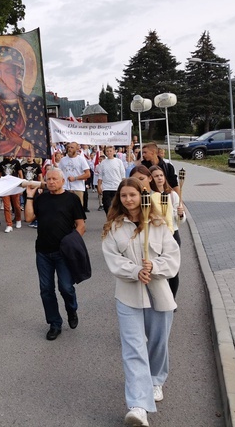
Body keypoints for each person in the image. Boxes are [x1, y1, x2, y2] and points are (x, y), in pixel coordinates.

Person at [101, 178, 180, 426]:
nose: (128, 200)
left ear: (141, 196)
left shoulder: (158, 225)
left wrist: (154, 266)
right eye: (123, 196)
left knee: (158, 343)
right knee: (133, 349)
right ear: (119, 199)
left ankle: (156, 380)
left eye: (132, 195)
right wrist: (134, 271)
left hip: (158, 293)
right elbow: (112, 259)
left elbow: (173, 259)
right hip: (128, 295)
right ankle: (137, 405)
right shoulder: (113, 227)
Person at [25, 168, 86, 340]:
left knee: (66, 287)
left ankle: (71, 309)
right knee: (46, 290)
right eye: (48, 179)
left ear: (62, 181)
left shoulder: (72, 199)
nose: (51, 182)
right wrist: (30, 196)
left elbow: (81, 225)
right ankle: (54, 323)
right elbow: (29, 218)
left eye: (54, 179)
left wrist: (71, 243)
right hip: (43, 252)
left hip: (63, 253)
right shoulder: (41, 198)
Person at [150, 165, 186, 299]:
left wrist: (181, 215)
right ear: (151, 179)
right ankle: (161, 298)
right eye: (156, 176)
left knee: (173, 269)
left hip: (173, 235)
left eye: (161, 175)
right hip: (157, 236)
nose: (159, 178)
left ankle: (172, 299)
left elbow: (180, 221)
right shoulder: (150, 197)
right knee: (159, 269)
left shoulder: (172, 195)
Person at [58, 142, 91, 207]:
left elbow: (88, 174)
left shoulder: (81, 159)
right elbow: (59, 173)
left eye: (72, 147)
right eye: (68, 147)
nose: (69, 149)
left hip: (77, 188)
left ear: (76, 149)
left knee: (77, 210)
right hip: (65, 188)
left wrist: (75, 178)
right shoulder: (63, 160)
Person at [98, 145, 127, 214]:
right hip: (106, 187)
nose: (109, 153)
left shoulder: (119, 162)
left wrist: (124, 186)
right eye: (107, 151)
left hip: (116, 186)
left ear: (114, 151)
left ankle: (116, 218)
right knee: (106, 205)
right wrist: (99, 186)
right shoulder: (103, 162)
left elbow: (123, 175)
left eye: (110, 151)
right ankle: (109, 218)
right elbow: (100, 176)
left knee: (117, 205)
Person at [0, 154, 23, 232]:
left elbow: (20, 173)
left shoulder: (16, 162)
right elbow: (0, 174)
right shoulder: (1, 163)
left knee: (16, 205)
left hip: (15, 186)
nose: (7, 156)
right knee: (6, 206)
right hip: (5, 186)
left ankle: (18, 219)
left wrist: (21, 183)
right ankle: (9, 224)